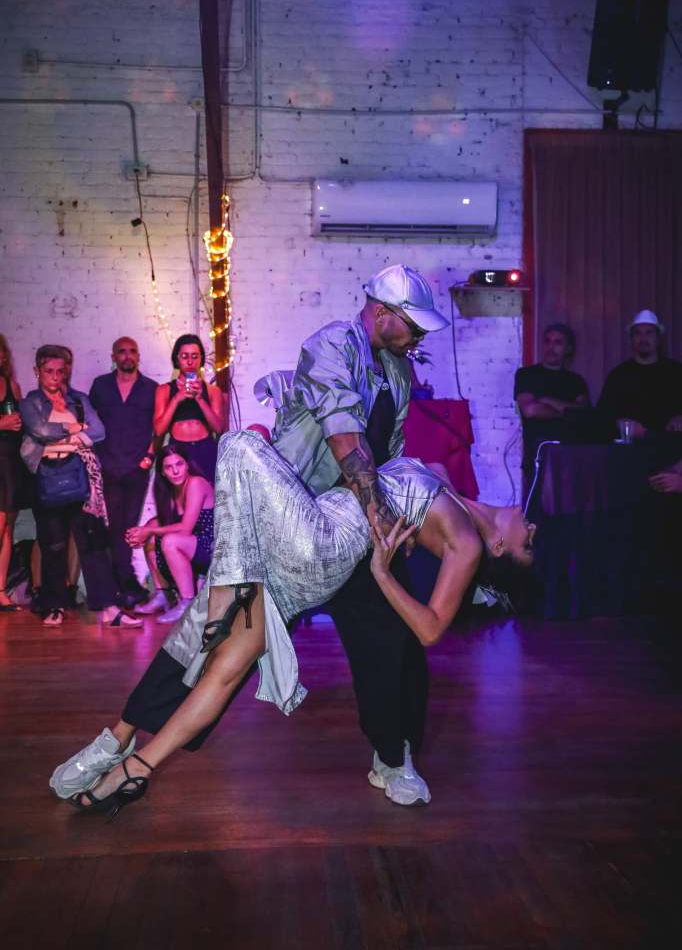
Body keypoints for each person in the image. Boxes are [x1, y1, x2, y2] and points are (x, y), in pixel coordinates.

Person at [49, 429, 534, 815]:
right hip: (295, 547)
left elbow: (430, 630)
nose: (532, 527)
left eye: (527, 544)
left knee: (239, 443)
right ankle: (135, 769)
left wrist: (383, 575)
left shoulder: (468, 544)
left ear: (499, 549)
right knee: (222, 672)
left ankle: (221, 595)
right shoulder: (446, 483)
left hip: (324, 545)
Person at [272, 263, 451, 805]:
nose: (418, 336)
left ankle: (394, 758)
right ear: (381, 313)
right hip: (303, 524)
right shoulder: (330, 345)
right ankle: (128, 739)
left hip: (360, 523)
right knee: (224, 648)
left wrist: (397, 522)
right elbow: (346, 442)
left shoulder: (398, 370)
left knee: (397, 639)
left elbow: (388, 454)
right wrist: (383, 521)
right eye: (412, 325)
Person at [19, 345, 141, 628]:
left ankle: (108, 608)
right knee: (53, 545)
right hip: (47, 478)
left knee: (94, 543)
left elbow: (98, 431)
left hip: (80, 477)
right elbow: (40, 431)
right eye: (49, 371)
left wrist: (60, 439)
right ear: (37, 371)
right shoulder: (30, 402)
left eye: (60, 371)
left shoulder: (79, 400)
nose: (55, 376)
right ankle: (54, 605)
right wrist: (74, 430)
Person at [89, 337, 157, 609]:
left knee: (128, 524)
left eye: (132, 352)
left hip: (136, 469)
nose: (127, 356)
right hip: (107, 467)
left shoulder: (151, 388)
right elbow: (90, 422)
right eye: (122, 352)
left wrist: (149, 457)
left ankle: (124, 585)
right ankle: (124, 585)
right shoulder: (100, 386)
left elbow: (158, 426)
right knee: (113, 526)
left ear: (138, 356)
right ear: (113, 356)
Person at [125, 444, 214, 624]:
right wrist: (141, 532)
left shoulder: (196, 483)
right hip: (193, 545)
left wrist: (149, 530)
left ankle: (187, 603)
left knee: (170, 540)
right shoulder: (170, 489)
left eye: (179, 464)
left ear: (187, 465)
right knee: (151, 529)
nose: (175, 471)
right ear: (162, 472)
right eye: (168, 467)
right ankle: (163, 595)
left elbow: (186, 527)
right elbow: (164, 522)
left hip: (212, 547)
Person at [514, 323, 590, 491]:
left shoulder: (576, 381)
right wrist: (568, 412)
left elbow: (584, 413)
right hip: (538, 457)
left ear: (568, 348)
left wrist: (547, 401)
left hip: (572, 457)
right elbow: (530, 410)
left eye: (558, 342)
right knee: (538, 506)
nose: (551, 347)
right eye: (547, 341)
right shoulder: (526, 375)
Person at [597, 310, 682, 440]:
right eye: (638, 333)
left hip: (671, 445)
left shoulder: (676, 372)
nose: (643, 338)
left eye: (649, 333)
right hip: (630, 447)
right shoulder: (619, 375)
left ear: (658, 338)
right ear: (631, 339)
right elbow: (602, 416)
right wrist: (620, 423)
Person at [153, 334, 224, 484]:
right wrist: (176, 399)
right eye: (185, 356)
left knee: (208, 494)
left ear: (201, 359)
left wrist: (200, 399)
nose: (190, 362)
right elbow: (159, 430)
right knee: (182, 496)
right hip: (178, 451)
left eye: (195, 356)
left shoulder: (212, 391)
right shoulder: (164, 390)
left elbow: (218, 428)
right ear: (177, 358)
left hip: (205, 449)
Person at [0, 335, 25, 612]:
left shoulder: (12, 386)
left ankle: (1, 591)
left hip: (9, 463)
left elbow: (20, 424)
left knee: (8, 528)